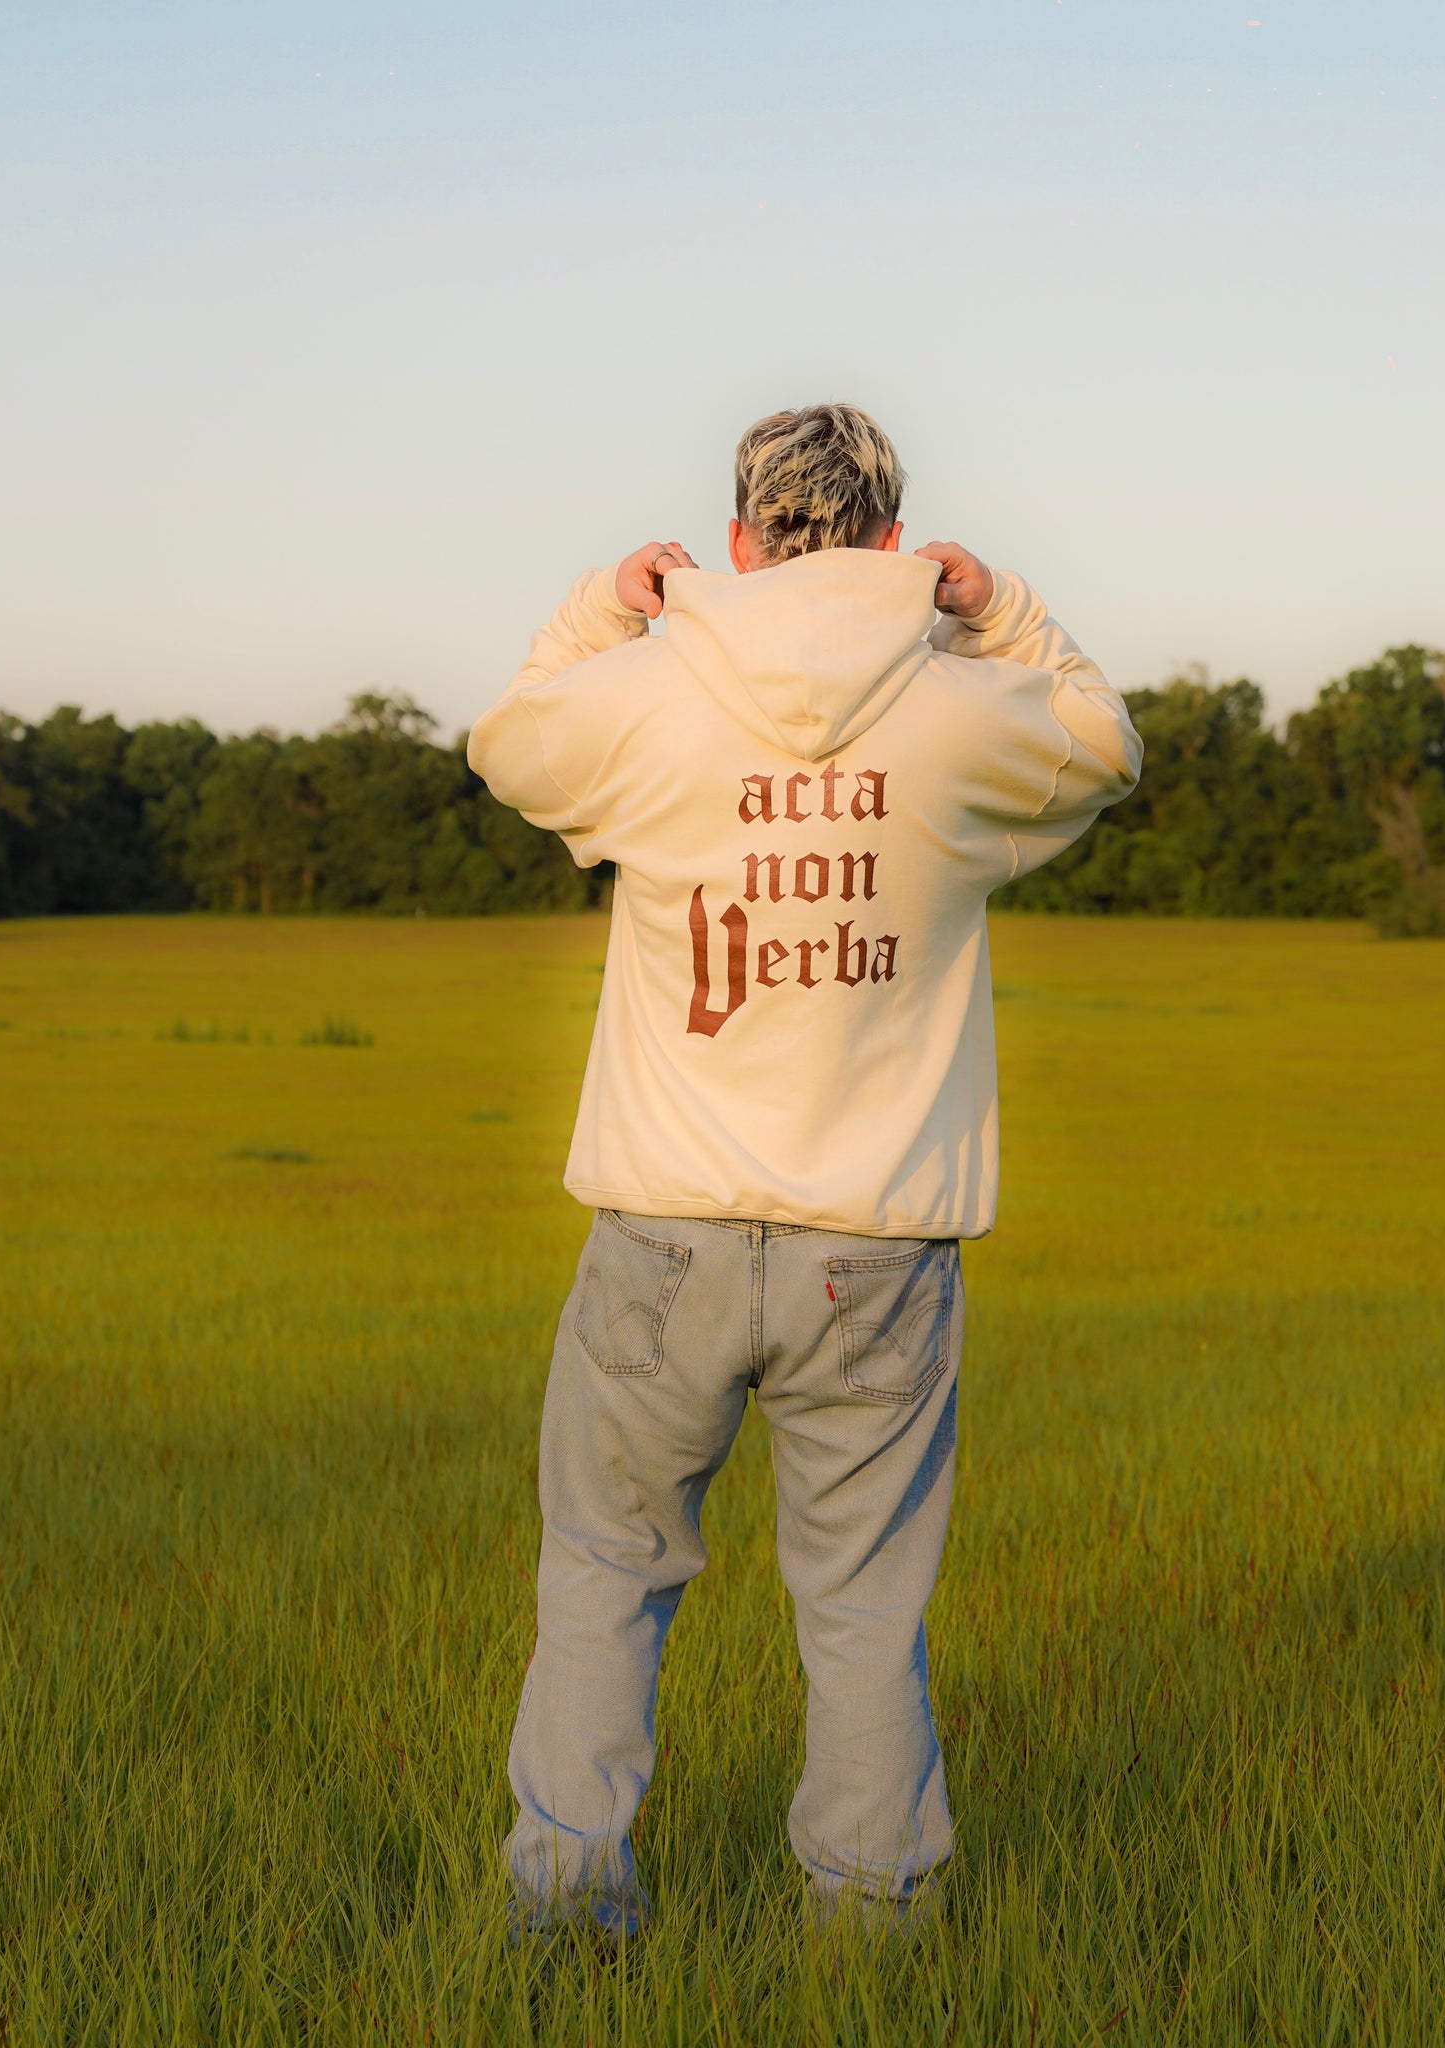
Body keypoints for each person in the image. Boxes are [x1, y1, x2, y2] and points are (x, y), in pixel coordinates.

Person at [467, 402, 1141, 1938]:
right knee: (862, 1611)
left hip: (662, 1236)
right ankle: (872, 1925)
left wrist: (600, 606)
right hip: (878, 1253)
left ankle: (567, 1911)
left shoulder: (644, 698)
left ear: (738, 538)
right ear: (901, 545)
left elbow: (509, 742)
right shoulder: (965, 722)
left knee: (602, 1576)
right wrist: (1000, 613)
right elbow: (1106, 744)